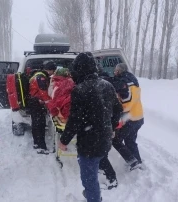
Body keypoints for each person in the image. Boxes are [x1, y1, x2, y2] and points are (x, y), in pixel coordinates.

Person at [59, 52, 121, 202]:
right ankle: (92, 193)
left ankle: (93, 196)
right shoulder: (108, 85)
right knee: (94, 169)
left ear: (79, 69)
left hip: (88, 143)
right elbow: (118, 109)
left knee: (89, 178)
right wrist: (112, 127)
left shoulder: (79, 90)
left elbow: (75, 120)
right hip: (105, 139)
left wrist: (64, 140)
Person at [112, 63, 144, 170]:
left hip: (130, 118)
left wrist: (116, 110)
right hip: (139, 117)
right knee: (130, 140)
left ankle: (132, 161)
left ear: (120, 71)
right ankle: (137, 162)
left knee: (115, 140)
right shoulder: (132, 80)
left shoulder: (124, 82)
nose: (114, 72)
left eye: (116, 70)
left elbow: (126, 101)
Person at [27, 60, 57, 154]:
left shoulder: (37, 75)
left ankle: (37, 144)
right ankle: (42, 147)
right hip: (37, 103)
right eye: (53, 71)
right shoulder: (41, 78)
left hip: (33, 102)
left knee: (35, 124)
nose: (53, 73)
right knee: (40, 125)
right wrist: (50, 106)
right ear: (49, 70)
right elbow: (43, 93)